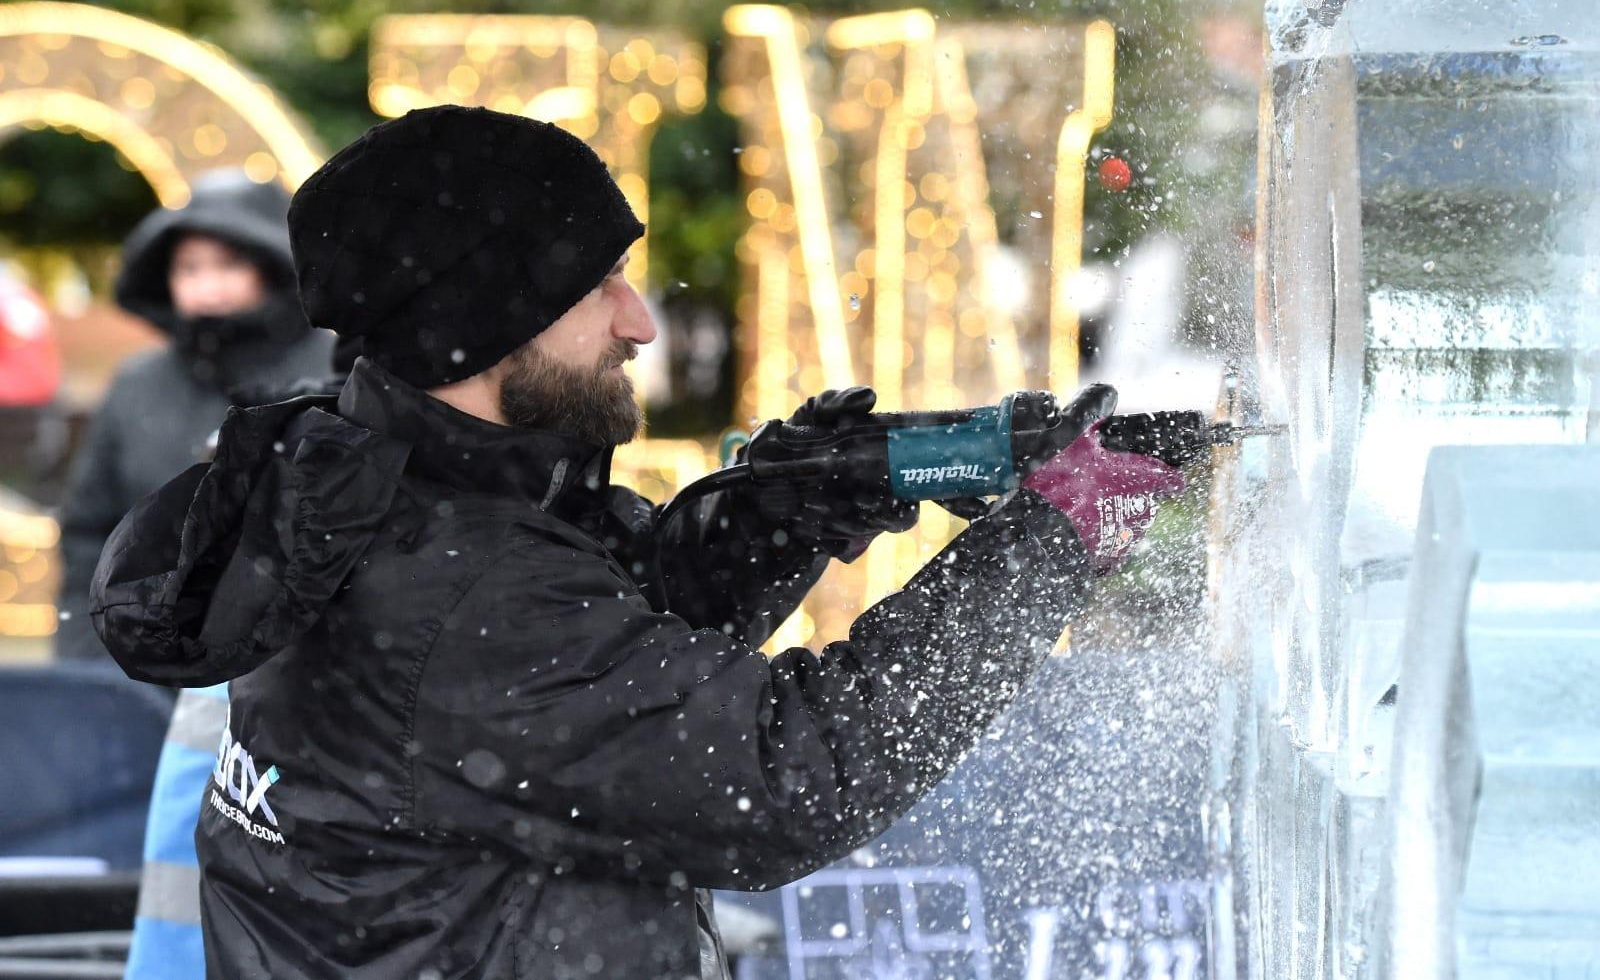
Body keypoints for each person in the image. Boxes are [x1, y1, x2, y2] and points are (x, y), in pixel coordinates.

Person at [90, 105, 1185, 979]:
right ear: (481, 322)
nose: (638, 321)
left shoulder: (366, 487)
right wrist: (1054, 536)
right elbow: (790, 776)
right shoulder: (459, 589)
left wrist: (796, 501)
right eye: (593, 287)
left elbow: (615, 645)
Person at [54, 171, 334, 659]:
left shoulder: (336, 373)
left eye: (228, 264)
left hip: (297, 673)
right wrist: (89, 652)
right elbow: (88, 531)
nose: (207, 285)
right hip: (144, 668)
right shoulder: (137, 384)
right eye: (189, 267)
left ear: (271, 266)